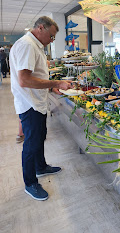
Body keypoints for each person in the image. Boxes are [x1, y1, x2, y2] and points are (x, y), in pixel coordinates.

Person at [9, 16, 73, 201]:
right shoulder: (27, 45)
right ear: (41, 28)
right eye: (51, 36)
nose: (51, 40)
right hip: (29, 104)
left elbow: (35, 74)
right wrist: (57, 82)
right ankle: (30, 183)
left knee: (39, 137)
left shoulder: (34, 45)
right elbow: (25, 80)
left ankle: (40, 167)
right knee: (30, 143)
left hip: (37, 101)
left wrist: (52, 87)